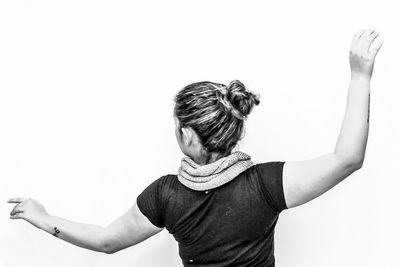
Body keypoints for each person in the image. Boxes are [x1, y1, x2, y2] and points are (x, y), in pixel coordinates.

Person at [8, 29, 383, 266]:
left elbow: (107, 241)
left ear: (188, 135)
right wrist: (360, 76)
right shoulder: (265, 185)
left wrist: (41, 217)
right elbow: (347, 158)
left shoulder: (167, 196)